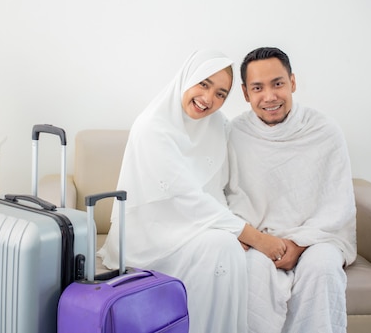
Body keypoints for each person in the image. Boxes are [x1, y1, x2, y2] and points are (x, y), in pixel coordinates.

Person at [98, 49, 287, 333]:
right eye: (204, 84)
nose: (209, 99)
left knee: (226, 248)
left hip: (199, 226)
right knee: (223, 247)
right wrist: (251, 235)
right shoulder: (153, 127)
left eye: (221, 94)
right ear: (187, 79)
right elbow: (185, 197)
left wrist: (232, 226)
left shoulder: (218, 125)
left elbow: (222, 187)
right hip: (150, 234)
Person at [224, 47, 357, 333]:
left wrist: (297, 245)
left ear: (292, 83)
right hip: (259, 240)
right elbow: (226, 200)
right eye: (258, 88)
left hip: (317, 239)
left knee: (322, 269)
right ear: (246, 94)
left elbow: (337, 204)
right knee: (250, 272)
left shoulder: (325, 130)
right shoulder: (233, 134)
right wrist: (261, 241)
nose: (269, 96)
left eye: (278, 84)